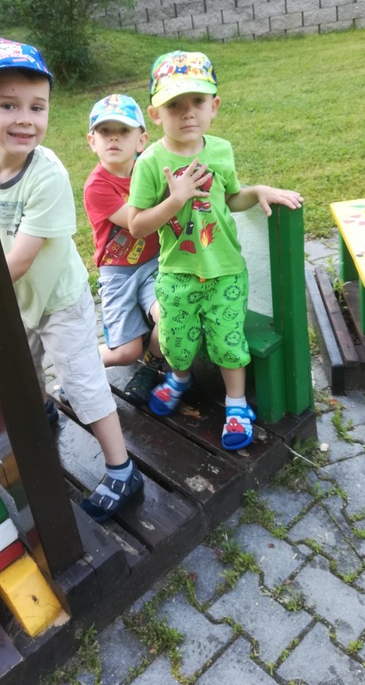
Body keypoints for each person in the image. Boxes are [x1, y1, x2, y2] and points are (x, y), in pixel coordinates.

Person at [0, 38, 142, 522]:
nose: (25, 119)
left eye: (37, 107)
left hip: (58, 300)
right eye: (8, 105)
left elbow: (17, 261)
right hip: (10, 299)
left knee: (81, 381)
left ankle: (122, 469)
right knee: (23, 367)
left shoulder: (47, 175)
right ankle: (44, 413)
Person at [127, 50, 303, 451]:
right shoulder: (150, 162)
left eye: (198, 101)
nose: (188, 112)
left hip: (225, 270)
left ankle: (236, 404)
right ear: (156, 114)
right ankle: (180, 377)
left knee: (227, 342)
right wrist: (176, 199)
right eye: (174, 104)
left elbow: (231, 198)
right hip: (178, 272)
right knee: (174, 342)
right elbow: (137, 226)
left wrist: (257, 192)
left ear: (214, 106)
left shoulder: (220, 150)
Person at [84, 94, 165, 406]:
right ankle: (79, 367)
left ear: (141, 140)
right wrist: (175, 199)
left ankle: (152, 365)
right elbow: (137, 224)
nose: (114, 137)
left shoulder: (149, 170)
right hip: (117, 273)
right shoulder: (97, 186)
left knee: (169, 317)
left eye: (123, 130)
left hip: (153, 264)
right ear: (92, 141)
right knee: (125, 352)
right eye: (105, 131)